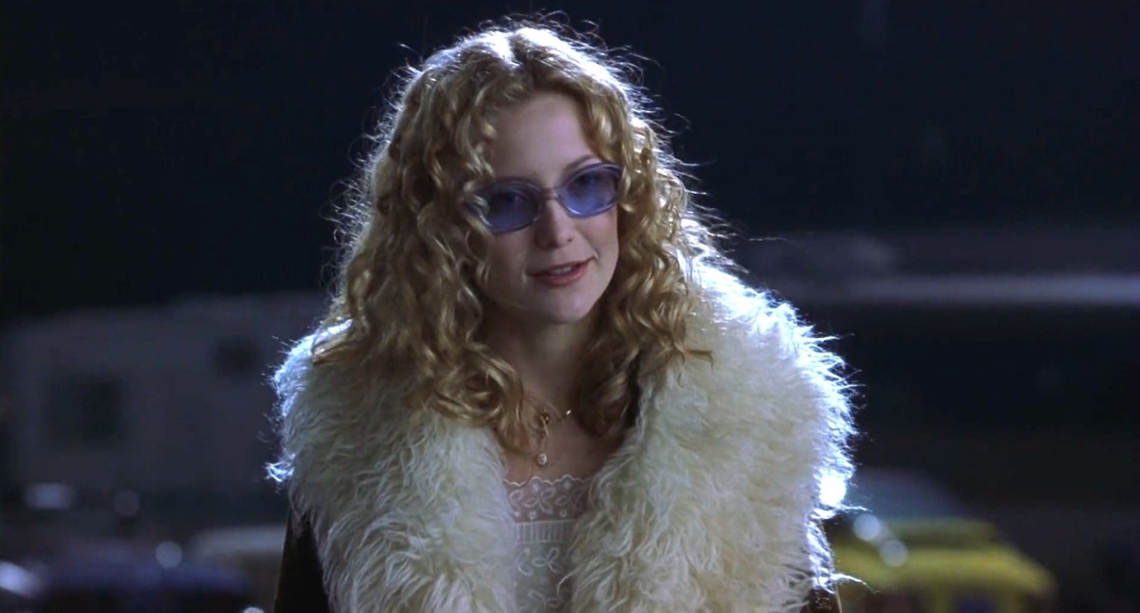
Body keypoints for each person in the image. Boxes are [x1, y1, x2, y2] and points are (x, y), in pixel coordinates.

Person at [268, 17, 854, 613]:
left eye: (586, 185)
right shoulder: (356, 431)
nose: (557, 231)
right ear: (441, 227)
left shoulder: (749, 408)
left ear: (629, 195)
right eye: (507, 200)